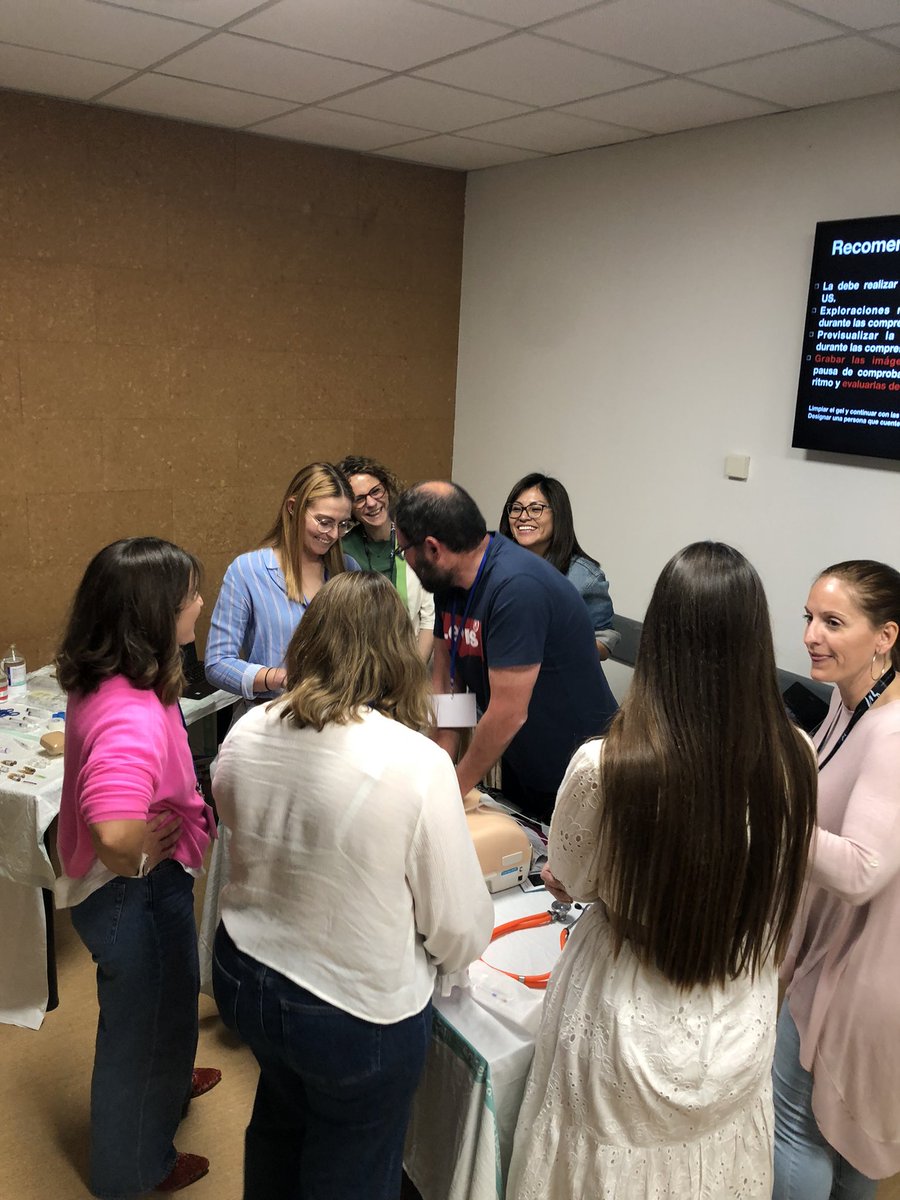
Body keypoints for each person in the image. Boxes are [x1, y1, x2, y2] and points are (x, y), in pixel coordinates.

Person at [506, 541, 817, 1200]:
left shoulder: (608, 765)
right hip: (738, 1002)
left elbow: (570, 874)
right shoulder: (795, 755)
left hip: (626, 1008)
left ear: (661, 640)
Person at [211, 571, 493, 1200]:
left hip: (246, 973)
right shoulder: (414, 762)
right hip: (350, 1012)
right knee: (353, 1164)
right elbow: (458, 925)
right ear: (396, 650)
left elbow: (234, 815)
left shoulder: (250, 729)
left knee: (279, 1124)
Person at [55, 538, 219, 1197]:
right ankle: (131, 1173)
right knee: (137, 1034)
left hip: (142, 890)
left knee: (167, 1001)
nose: (200, 604)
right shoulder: (127, 711)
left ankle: (173, 1081)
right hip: (135, 893)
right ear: (153, 614)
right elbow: (116, 830)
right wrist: (144, 850)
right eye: (189, 597)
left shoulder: (110, 675)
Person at [773, 559, 900, 1199]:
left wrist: (770, 816)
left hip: (861, 973)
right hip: (835, 953)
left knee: (796, 1126)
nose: (811, 637)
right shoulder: (846, 702)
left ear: (885, 637)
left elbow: (861, 870)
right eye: (809, 618)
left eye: (832, 622)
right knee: (844, 1142)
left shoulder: (892, 733)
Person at [394, 481, 617, 822]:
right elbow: (449, 685)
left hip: (579, 774)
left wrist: (452, 792)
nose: (406, 560)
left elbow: (507, 713)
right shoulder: (449, 582)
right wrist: (439, 775)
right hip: (523, 762)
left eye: (403, 550)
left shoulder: (517, 588)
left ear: (432, 548)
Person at [205, 462, 358, 700]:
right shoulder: (248, 570)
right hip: (274, 718)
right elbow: (218, 663)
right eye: (324, 522)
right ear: (292, 508)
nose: (334, 535)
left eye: (343, 524)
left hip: (337, 719)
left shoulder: (347, 569)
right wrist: (279, 678)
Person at [499, 471, 619, 658]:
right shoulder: (495, 567)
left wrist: (558, 648)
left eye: (535, 508)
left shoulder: (583, 577)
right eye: (516, 508)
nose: (523, 517)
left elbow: (604, 639)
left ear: (558, 515)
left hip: (556, 681)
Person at [337, 454, 434, 661]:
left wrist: (413, 674)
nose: (371, 503)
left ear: (387, 488)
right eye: (359, 498)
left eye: (375, 491)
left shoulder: (416, 540)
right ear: (349, 506)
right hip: (359, 668)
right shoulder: (342, 550)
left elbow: (429, 618)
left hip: (411, 662)